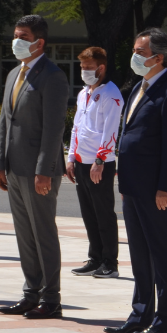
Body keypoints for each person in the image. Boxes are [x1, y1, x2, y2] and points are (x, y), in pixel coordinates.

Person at [106, 28, 167, 333]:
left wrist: (165, 187)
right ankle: (140, 314)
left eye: (141, 52)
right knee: (139, 253)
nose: (135, 56)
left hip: (155, 188)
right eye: (136, 50)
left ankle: (164, 322)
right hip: (132, 185)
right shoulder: (138, 87)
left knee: (161, 254)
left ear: (159, 57)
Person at [0, 15, 71, 319]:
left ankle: (51, 299)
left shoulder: (53, 76)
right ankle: (30, 293)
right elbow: (4, 122)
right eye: (15, 35)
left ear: (39, 42)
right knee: (24, 234)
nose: (17, 41)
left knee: (43, 234)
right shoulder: (15, 73)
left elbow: (54, 130)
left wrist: (44, 170)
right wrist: (0, 164)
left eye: (23, 36)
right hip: (14, 168)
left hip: (39, 171)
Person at [67, 45, 123, 279]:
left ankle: (110, 262)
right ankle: (95, 258)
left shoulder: (111, 94)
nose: (84, 71)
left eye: (89, 68)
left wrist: (100, 159)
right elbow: (77, 127)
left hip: (99, 162)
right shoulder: (84, 93)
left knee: (103, 213)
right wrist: (70, 156)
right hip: (81, 160)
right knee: (89, 213)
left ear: (101, 68)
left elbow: (110, 130)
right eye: (82, 67)